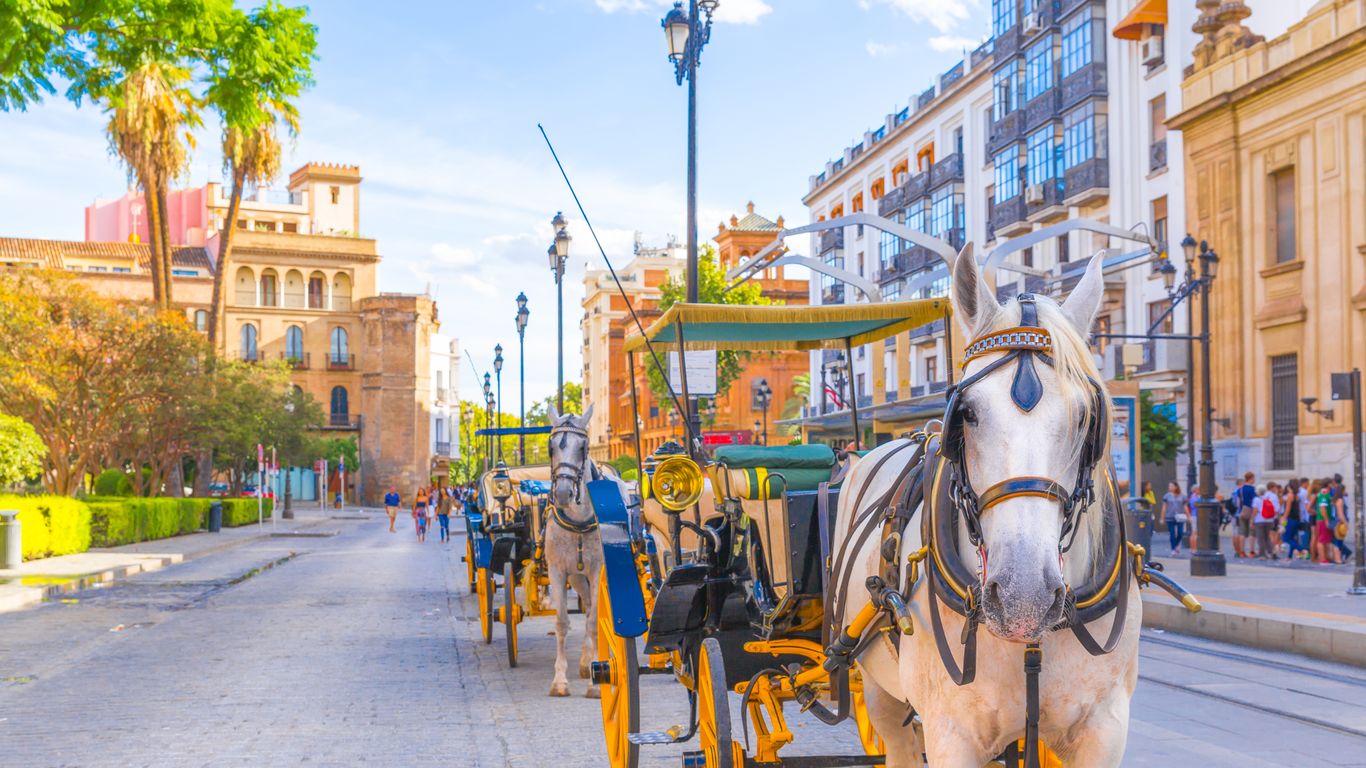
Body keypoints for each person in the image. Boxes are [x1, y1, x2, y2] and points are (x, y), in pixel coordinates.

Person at [1251, 482, 1279, 560]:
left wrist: (1252, 520)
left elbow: (1255, 511)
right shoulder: (1270, 497)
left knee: (1261, 538)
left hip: (1259, 520)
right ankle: (1271, 552)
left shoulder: (1256, 499)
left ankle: (1262, 554)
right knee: (1267, 537)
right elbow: (1276, 509)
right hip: (1270, 520)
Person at [1234, 471, 1258, 558]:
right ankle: (1251, 551)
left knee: (1242, 533)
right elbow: (1255, 502)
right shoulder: (1253, 489)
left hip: (1242, 512)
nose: (1254, 480)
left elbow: (1237, 502)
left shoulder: (1240, 489)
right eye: (1253, 478)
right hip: (1251, 512)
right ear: (1251, 479)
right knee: (1252, 533)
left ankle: (1241, 552)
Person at [1312, 479, 1335, 564]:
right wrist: (1326, 520)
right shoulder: (1324, 493)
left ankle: (1325, 557)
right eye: (1331, 483)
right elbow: (1322, 508)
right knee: (1321, 540)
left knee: (1326, 539)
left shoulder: (1326, 493)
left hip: (1324, 519)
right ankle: (1322, 559)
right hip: (1322, 519)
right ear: (1328, 484)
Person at [1162, 481, 1187, 556]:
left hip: (1180, 517)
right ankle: (1173, 549)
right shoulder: (1167, 496)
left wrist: (1188, 516)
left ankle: (1176, 545)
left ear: (1176, 487)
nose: (1170, 487)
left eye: (1172, 486)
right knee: (1172, 533)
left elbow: (1185, 507)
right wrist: (1162, 518)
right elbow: (1164, 507)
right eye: (1169, 486)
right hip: (1170, 516)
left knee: (1180, 533)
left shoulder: (1182, 496)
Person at [1282, 479, 1305, 560]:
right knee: (1292, 538)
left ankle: (1301, 549)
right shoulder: (1297, 496)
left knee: (1286, 538)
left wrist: (1283, 518)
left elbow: (1287, 509)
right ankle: (1289, 556)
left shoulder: (1290, 495)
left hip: (1290, 519)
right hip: (1296, 519)